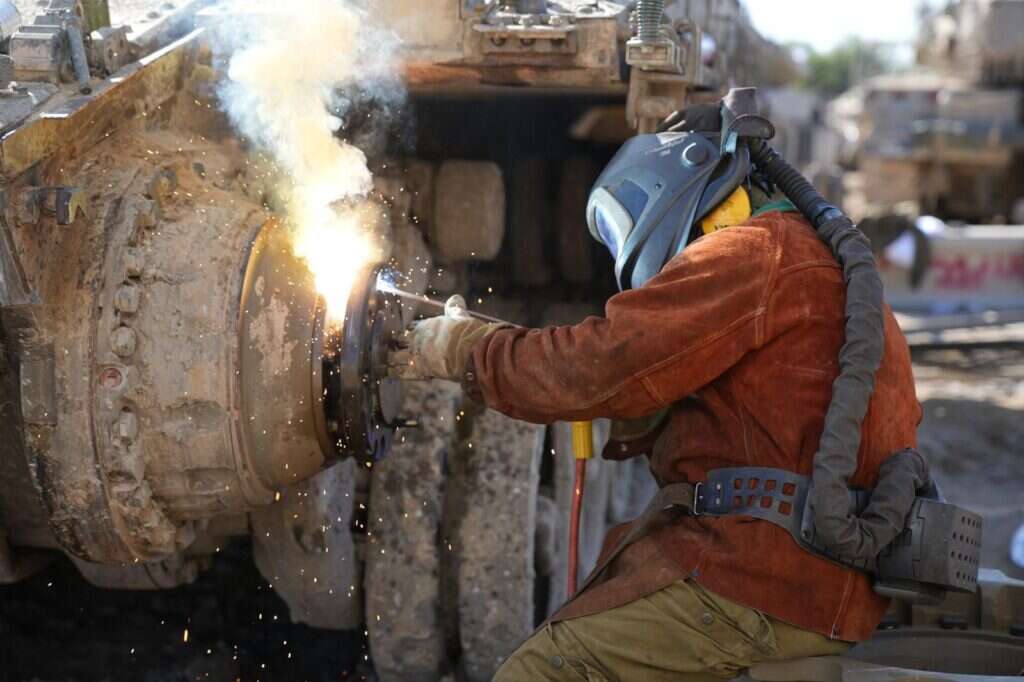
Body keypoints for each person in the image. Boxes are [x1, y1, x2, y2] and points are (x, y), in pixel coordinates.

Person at [390, 100, 921, 681]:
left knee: (539, 671)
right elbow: (746, 409)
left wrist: (463, 350)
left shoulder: (750, 254)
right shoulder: (822, 267)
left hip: (759, 583)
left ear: (679, 183)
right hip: (824, 591)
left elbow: (605, 362)